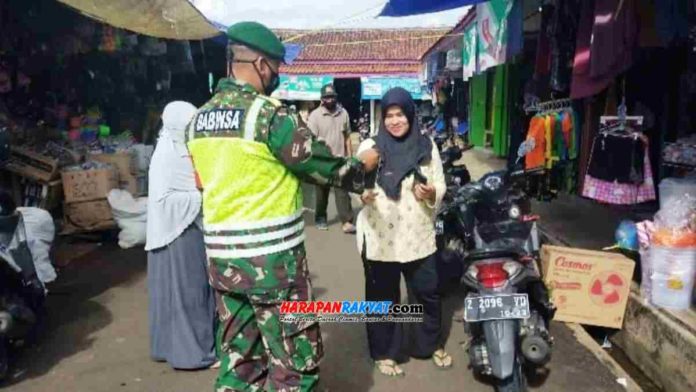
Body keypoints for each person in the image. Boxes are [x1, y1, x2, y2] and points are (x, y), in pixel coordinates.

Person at [185, 22, 379, 392]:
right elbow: (325, 167)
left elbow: (201, 181)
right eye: (276, 67)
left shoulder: (197, 121)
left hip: (222, 262)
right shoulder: (270, 117)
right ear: (260, 64)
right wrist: (364, 164)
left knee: (239, 362)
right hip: (274, 266)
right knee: (294, 367)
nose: (277, 76)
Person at [355, 87, 452, 377]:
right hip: (380, 236)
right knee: (383, 297)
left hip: (418, 235)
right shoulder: (369, 146)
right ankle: (384, 352)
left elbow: (440, 182)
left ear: (410, 114)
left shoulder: (427, 146)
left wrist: (432, 192)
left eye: (400, 115)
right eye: (389, 116)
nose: (395, 121)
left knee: (427, 292)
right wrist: (362, 195)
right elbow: (354, 181)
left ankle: (428, 344)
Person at [145, 101, 217, 370]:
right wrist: (200, 196)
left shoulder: (176, 149)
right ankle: (195, 354)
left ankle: (167, 347)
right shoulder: (167, 155)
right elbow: (164, 200)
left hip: (177, 230)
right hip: (179, 232)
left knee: (172, 296)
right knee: (191, 295)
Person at [307, 84, 356, 233]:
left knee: (342, 191)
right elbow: (311, 139)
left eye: (332, 97)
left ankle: (347, 221)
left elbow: (347, 136)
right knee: (321, 193)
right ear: (322, 99)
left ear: (336, 97)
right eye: (327, 97)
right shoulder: (315, 116)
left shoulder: (343, 113)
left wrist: (350, 157)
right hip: (322, 161)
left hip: (339, 160)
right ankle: (320, 218)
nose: (330, 100)